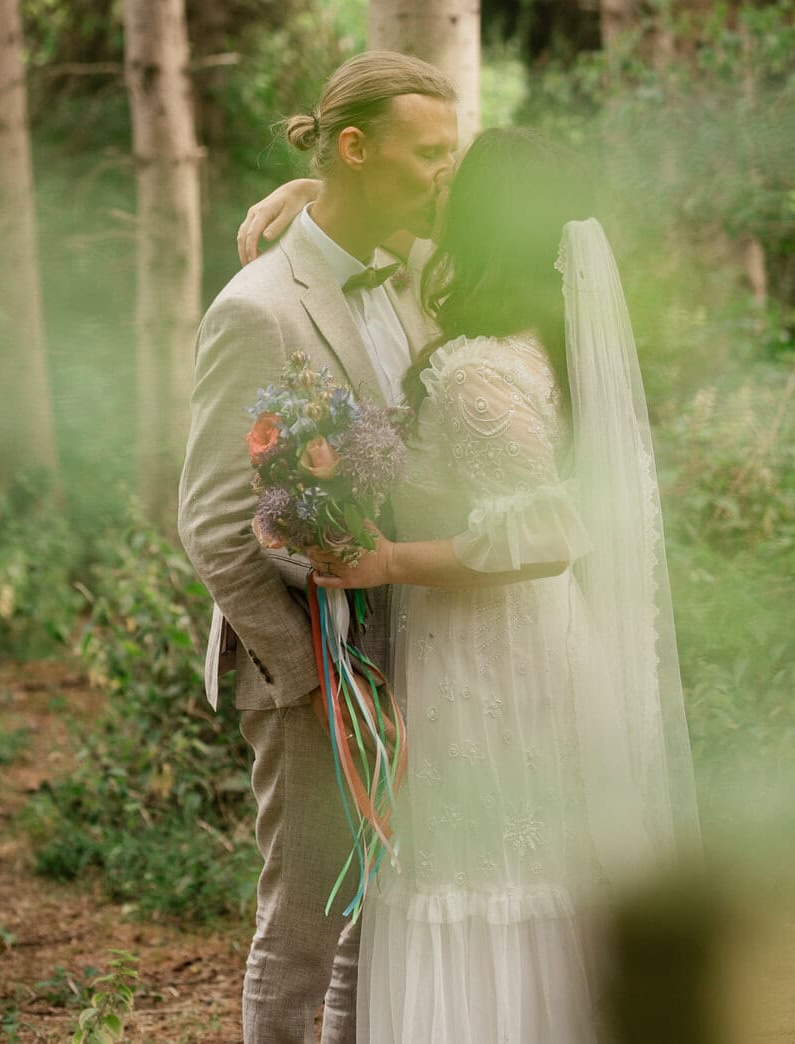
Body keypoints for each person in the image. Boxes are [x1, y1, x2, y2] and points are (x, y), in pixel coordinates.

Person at [244, 127, 700, 1044]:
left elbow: (547, 534)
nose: (437, 189)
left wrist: (387, 562)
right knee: (529, 877)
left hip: (492, 657)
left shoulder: (481, 372)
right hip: (512, 641)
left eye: (455, 181)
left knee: (488, 877)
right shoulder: (546, 343)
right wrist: (311, 195)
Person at [178, 50, 458, 1044]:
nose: (446, 174)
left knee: (375, 931)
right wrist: (309, 680)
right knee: (302, 933)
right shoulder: (258, 308)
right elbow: (213, 520)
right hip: (313, 667)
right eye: (429, 153)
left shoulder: (418, 275)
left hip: (417, 646)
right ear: (355, 148)